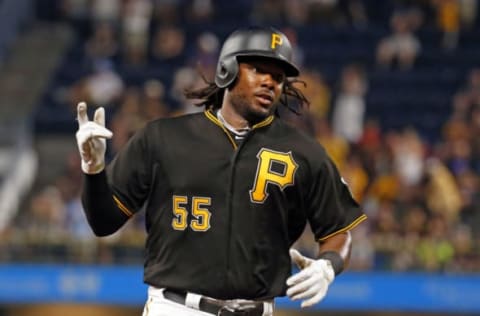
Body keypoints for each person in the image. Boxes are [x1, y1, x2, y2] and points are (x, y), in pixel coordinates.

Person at [75, 26, 367, 316]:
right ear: (227, 69)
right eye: (258, 69)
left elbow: (339, 230)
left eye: (278, 77)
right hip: (177, 308)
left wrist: (328, 265)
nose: (270, 82)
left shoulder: (304, 151)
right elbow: (104, 222)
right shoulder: (164, 137)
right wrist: (94, 170)